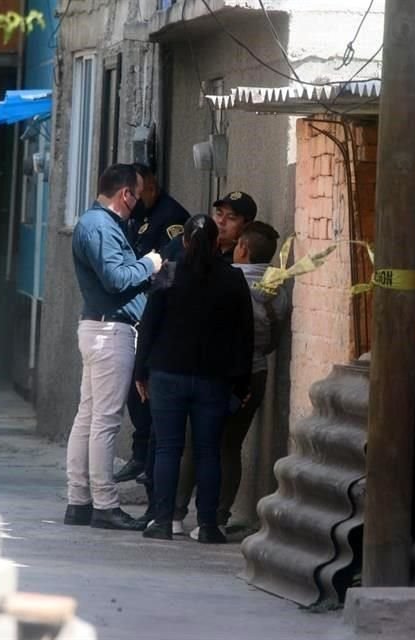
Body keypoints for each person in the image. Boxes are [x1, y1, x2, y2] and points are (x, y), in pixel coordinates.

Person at [133, 214, 254, 543]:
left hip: (167, 373)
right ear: (218, 242)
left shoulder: (168, 273)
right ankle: (209, 524)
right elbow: (244, 334)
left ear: (185, 240)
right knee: (208, 451)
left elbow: (149, 325)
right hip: (213, 378)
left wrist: (140, 371)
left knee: (168, 449)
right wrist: (242, 383)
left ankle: (162, 520)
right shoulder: (232, 279)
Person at [173, 221, 291, 537]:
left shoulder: (227, 280)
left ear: (243, 249)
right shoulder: (277, 289)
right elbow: (275, 336)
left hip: (218, 373)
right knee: (229, 447)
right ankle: (218, 518)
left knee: (195, 444)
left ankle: (176, 512)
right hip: (255, 373)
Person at [63, 164, 163, 531]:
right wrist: (151, 263)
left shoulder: (95, 224)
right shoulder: (102, 225)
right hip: (111, 331)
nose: (138, 202)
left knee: (88, 417)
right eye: (137, 195)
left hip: (100, 328)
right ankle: (104, 503)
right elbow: (117, 277)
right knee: (103, 420)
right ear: (126, 195)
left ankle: (79, 500)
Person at [113, 165, 190, 491]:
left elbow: (166, 265)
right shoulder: (140, 214)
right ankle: (140, 453)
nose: (132, 199)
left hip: (153, 310)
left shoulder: (170, 218)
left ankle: (147, 461)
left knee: (146, 392)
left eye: (137, 191)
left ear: (152, 188)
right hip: (138, 308)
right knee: (135, 389)